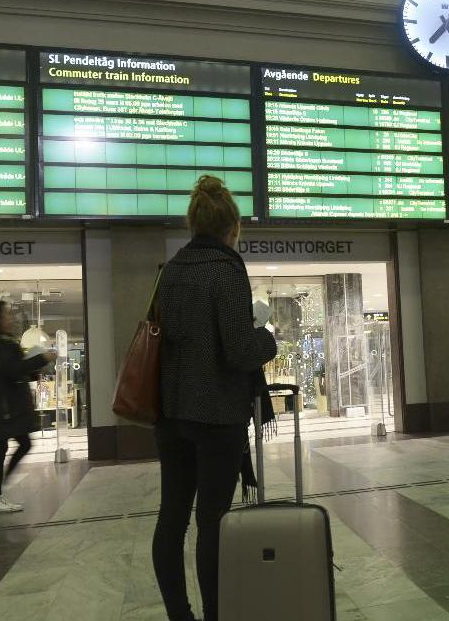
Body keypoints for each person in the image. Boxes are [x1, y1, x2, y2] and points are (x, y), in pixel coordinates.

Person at [153, 175, 278, 621]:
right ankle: (214, 616)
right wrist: (267, 339)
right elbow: (239, 349)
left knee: (172, 519)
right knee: (212, 522)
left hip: (170, 414)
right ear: (233, 228)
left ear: (193, 224)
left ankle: (179, 615)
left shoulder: (170, 271)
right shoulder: (227, 270)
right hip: (216, 417)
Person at [0, 300, 55, 514]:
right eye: (7, 314)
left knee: (23, 443)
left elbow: (16, 371)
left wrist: (34, 369)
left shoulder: (3, 342)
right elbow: (12, 369)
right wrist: (41, 358)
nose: (11, 318)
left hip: (6, 406)